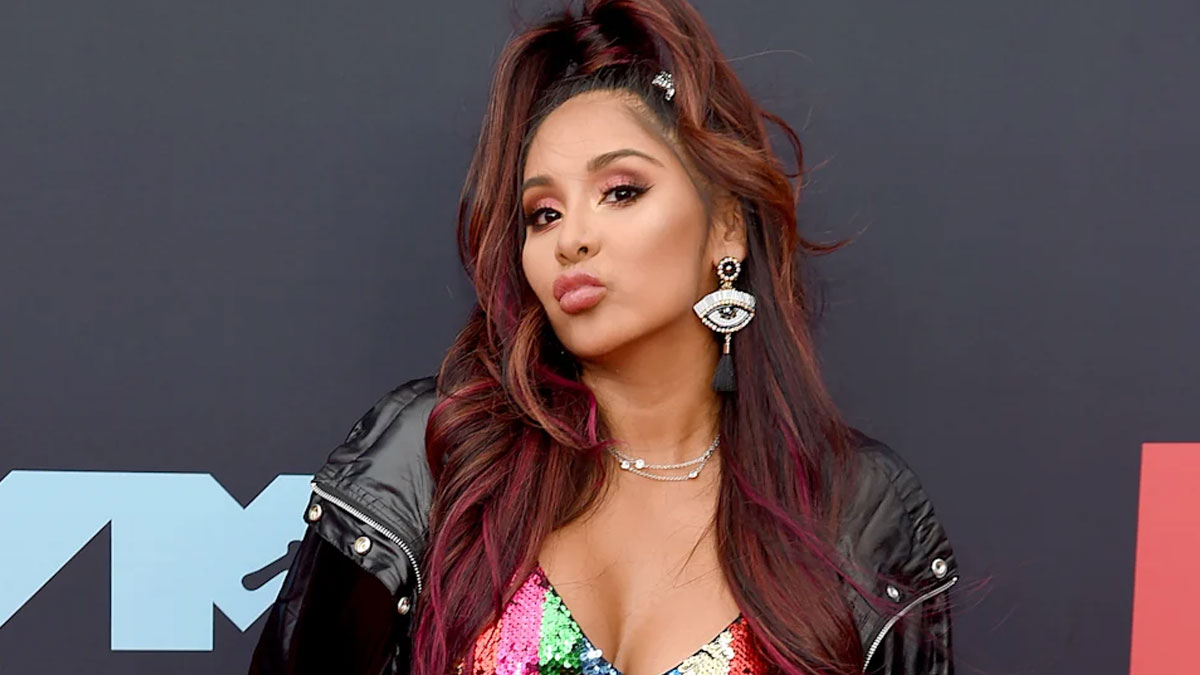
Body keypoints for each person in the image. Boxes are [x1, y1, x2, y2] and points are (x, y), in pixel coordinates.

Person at [248, 0, 959, 673]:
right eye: (544, 213)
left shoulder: (853, 507)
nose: (572, 239)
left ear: (725, 228)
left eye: (621, 191)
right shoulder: (438, 456)